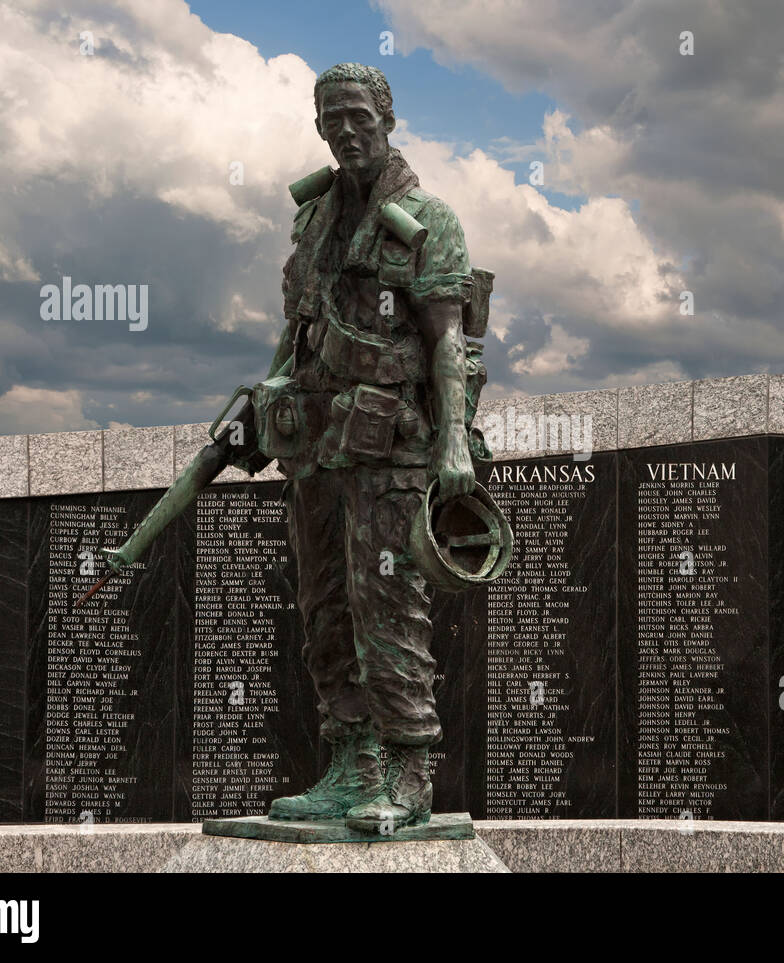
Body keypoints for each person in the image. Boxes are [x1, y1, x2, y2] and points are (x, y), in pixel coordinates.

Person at [256, 62, 477, 832]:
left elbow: (448, 341)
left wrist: (455, 444)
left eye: (359, 116)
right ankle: (352, 764)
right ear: (318, 127)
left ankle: (410, 772)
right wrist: (271, 394)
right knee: (323, 604)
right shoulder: (313, 219)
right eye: (332, 119)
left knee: (386, 605)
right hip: (317, 440)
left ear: (388, 117)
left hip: (392, 443)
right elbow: (298, 331)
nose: (346, 132)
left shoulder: (428, 219)